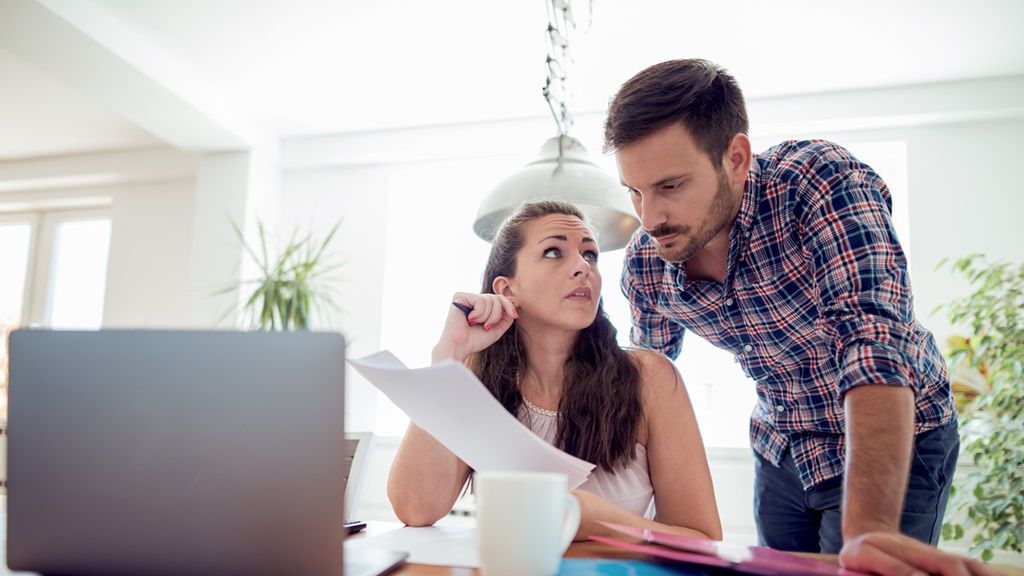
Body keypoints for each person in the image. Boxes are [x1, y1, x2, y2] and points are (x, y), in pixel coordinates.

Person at [606, 59, 999, 575]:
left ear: (737, 158)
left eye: (671, 186)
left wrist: (869, 531)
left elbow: (873, 338)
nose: (649, 217)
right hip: (782, 444)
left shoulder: (818, 183)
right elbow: (645, 380)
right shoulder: (645, 262)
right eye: (634, 191)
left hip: (895, 434)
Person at [387, 200, 722, 541]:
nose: (583, 267)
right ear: (506, 289)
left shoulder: (650, 378)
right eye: (553, 252)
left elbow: (703, 539)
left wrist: (601, 521)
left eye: (590, 254)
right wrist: (448, 358)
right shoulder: (474, 379)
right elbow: (416, 509)